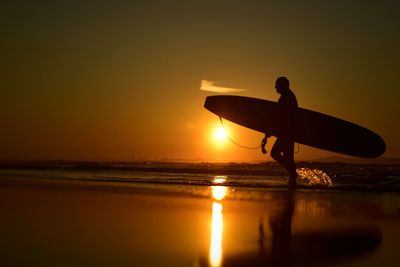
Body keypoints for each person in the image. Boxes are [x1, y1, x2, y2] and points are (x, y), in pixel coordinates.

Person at [261, 76, 298, 187]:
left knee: (275, 153)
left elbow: (281, 118)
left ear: (283, 85)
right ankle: (292, 182)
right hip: (289, 133)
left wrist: (271, 130)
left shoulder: (286, 98)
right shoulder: (288, 96)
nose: (275, 87)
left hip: (287, 133)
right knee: (289, 158)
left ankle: (293, 174)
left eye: (277, 85)